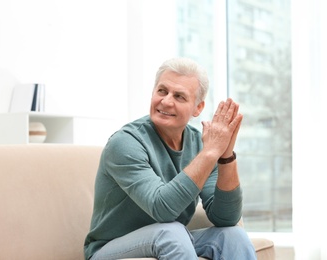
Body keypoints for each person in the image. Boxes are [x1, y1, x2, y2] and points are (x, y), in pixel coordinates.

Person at [84, 57, 256, 260]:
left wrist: (225, 155)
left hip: (168, 239)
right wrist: (210, 153)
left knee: (233, 236)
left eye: (179, 96)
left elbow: (226, 218)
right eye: (162, 91)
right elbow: (162, 209)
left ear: (197, 108)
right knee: (172, 232)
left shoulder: (200, 144)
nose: (166, 101)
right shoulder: (125, 143)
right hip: (109, 249)